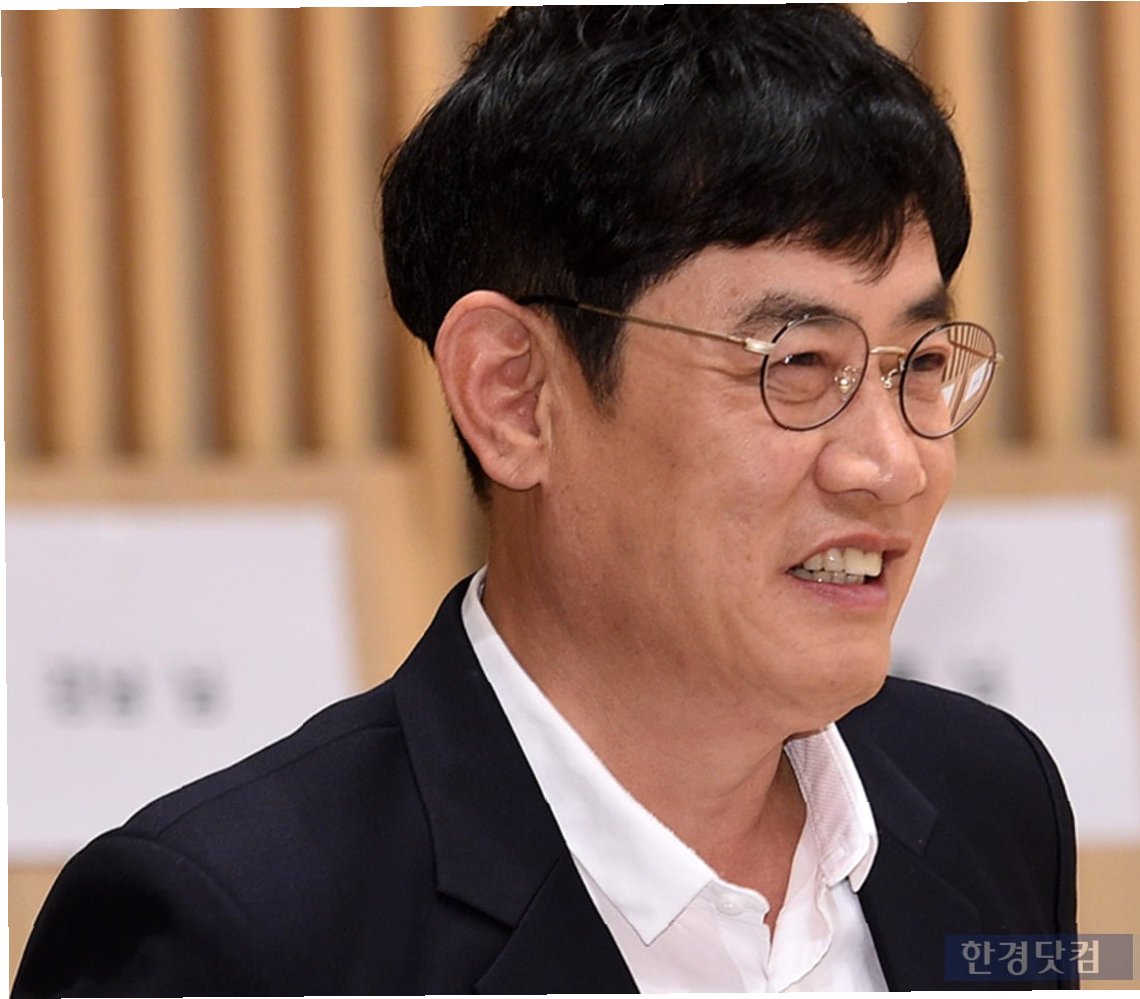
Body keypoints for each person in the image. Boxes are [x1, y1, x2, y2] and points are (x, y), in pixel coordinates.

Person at [14, 6, 1076, 994]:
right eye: (798, 363)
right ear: (514, 397)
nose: (892, 463)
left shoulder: (990, 799)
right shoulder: (242, 931)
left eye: (919, 364)